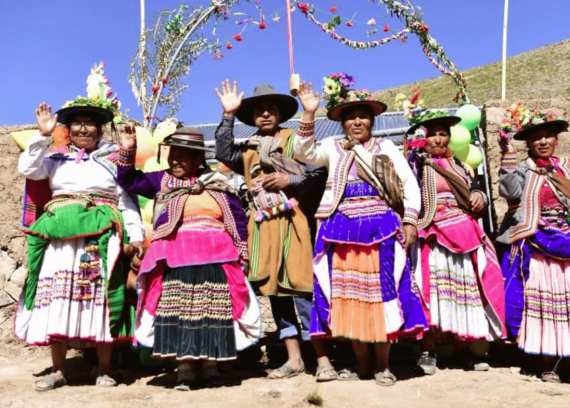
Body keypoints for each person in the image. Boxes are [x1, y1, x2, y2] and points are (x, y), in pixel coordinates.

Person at [292, 75, 427, 386]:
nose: (357, 122)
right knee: (349, 297)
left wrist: (410, 220)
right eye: (350, 117)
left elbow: (408, 184)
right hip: (341, 231)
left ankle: (383, 365)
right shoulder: (333, 147)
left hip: (382, 229)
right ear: (342, 123)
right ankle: (361, 364)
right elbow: (303, 152)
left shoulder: (386, 148)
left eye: (363, 116)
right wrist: (309, 113)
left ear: (372, 121)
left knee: (382, 295)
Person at [15, 63, 144, 390]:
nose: (84, 129)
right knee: (58, 300)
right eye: (77, 124)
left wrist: (136, 236)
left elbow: (126, 200)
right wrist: (42, 135)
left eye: (90, 124)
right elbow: (28, 168)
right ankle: (59, 370)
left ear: (100, 131)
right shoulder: (54, 160)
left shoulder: (114, 160)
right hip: (60, 242)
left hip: (99, 239)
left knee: (100, 299)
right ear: (69, 130)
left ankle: (104, 369)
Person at [116, 126, 261, 390]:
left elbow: (238, 219)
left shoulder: (218, 183)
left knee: (211, 312)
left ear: (198, 159)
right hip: (175, 257)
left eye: (182, 156)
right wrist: (127, 149)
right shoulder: (162, 181)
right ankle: (185, 370)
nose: (174, 161)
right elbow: (129, 181)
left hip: (215, 256)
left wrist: (242, 252)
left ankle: (210, 367)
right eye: (172, 155)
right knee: (179, 312)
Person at [213, 81, 328, 379]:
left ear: (280, 114)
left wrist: (290, 180)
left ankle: (323, 358)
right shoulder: (248, 149)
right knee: (275, 291)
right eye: (259, 111)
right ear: (253, 118)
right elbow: (223, 152)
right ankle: (294, 359)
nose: (265, 114)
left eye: (271, 109)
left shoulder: (296, 141)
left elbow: (318, 173)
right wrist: (228, 116)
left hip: (294, 222)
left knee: (303, 288)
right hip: (263, 226)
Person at [498, 109, 570, 386]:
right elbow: (510, 192)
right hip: (538, 242)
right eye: (536, 138)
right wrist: (508, 155)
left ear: (556, 139)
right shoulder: (523, 168)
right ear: (528, 143)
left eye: (548, 136)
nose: (543, 141)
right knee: (544, 304)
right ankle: (548, 364)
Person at [403, 107, 505, 376]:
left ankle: (463, 350)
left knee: (464, 291)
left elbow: (474, 190)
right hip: (431, 232)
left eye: (443, 134)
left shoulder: (461, 166)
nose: (438, 139)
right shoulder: (414, 165)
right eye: (432, 134)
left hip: (463, 232)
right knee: (431, 291)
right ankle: (429, 352)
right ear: (422, 137)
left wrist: (480, 196)